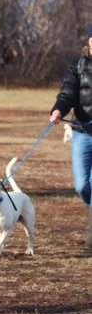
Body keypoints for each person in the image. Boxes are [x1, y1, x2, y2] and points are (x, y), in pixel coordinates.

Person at [50, 23, 92, 249]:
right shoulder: (77, 65)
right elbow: (67, 93)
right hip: (82, 132)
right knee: (81, 184)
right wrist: (58, 110)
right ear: (89, 41)